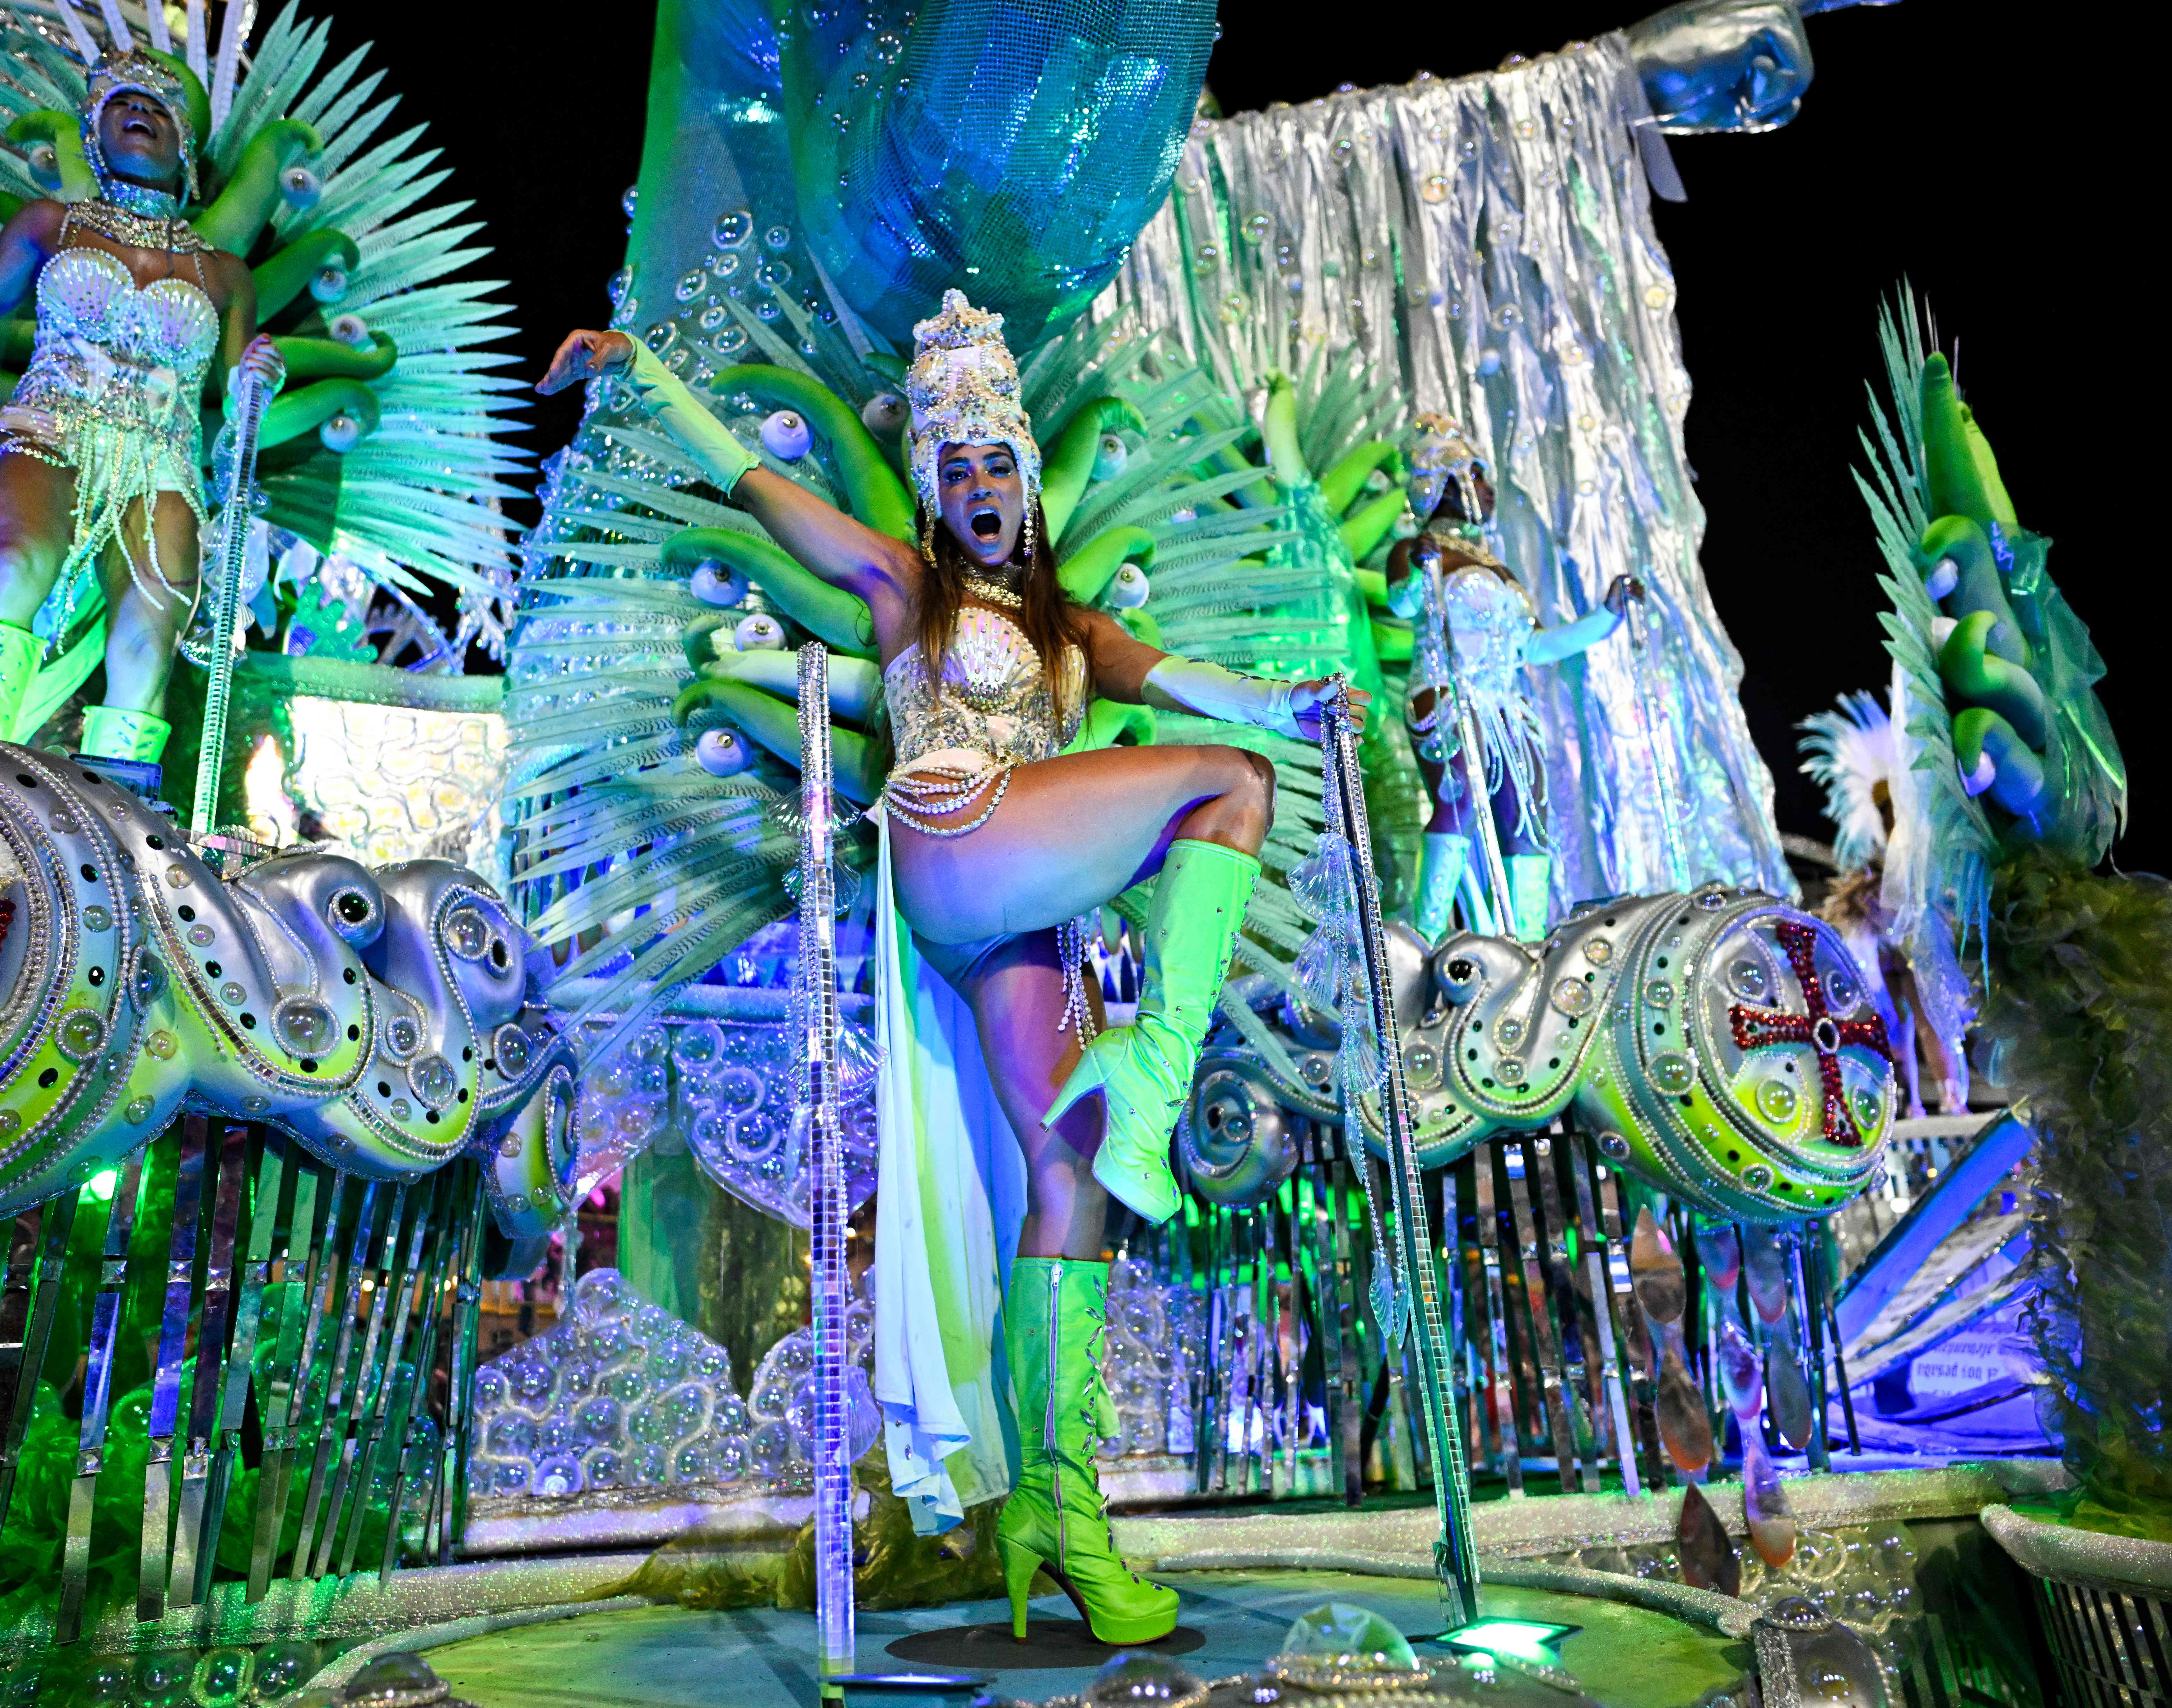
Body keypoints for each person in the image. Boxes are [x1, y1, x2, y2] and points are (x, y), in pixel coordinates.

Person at [539, 292, 1368, 1646]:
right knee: (1227, 789)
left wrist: (1295, 704)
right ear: (932, 491)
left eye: (997, 463)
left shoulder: (1075, 630)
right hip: (953, 836)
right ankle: (1157, 1074)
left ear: (1029, 485)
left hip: (1021, 921)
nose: (979, 484)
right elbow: (759, 491)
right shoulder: (905, 588)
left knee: (1069, 1169)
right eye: (957, 468)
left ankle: (1059, 1509)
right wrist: (642, 378)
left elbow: (1198, 686)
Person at [0, 51, 282, 771]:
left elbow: (240, 390)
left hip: (163, 454)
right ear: (94, 130)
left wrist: (260, 379)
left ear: (185, 145)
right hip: (51, 421)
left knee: (150, 634)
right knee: (12, 564)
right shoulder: (49, 225)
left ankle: (117, 826)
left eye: (160, 109)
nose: (141, 114)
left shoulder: (225, 273)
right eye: (123, 103)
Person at [1385, 413, 1637, 941]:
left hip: (1504, 705)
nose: (1487, 488)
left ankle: (1527, 944)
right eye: (1474, 475)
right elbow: (1403, 604)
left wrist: (1608, 615)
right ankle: (1424, 941)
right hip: (1446, 695)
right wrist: (1419, 570)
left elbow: (1537, 647)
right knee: (1457, 805)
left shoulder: (1499, 569)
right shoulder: (1414, 550)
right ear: (1442, 485)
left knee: (1527, 821)